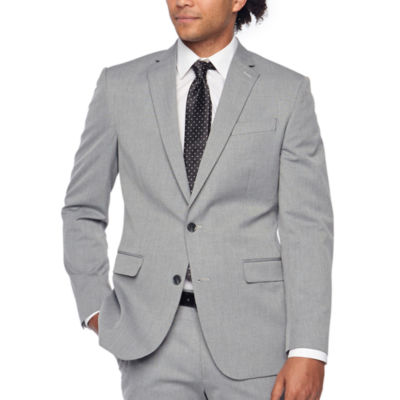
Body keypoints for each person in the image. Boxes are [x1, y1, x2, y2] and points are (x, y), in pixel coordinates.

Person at [61, 0, 334, 399]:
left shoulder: (286, 92)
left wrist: (308, 348)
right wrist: (95, 309)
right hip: (149, 340)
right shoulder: (119, 86)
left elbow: (307, 228)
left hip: (255, 338)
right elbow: (82, 209)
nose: (181, 1)